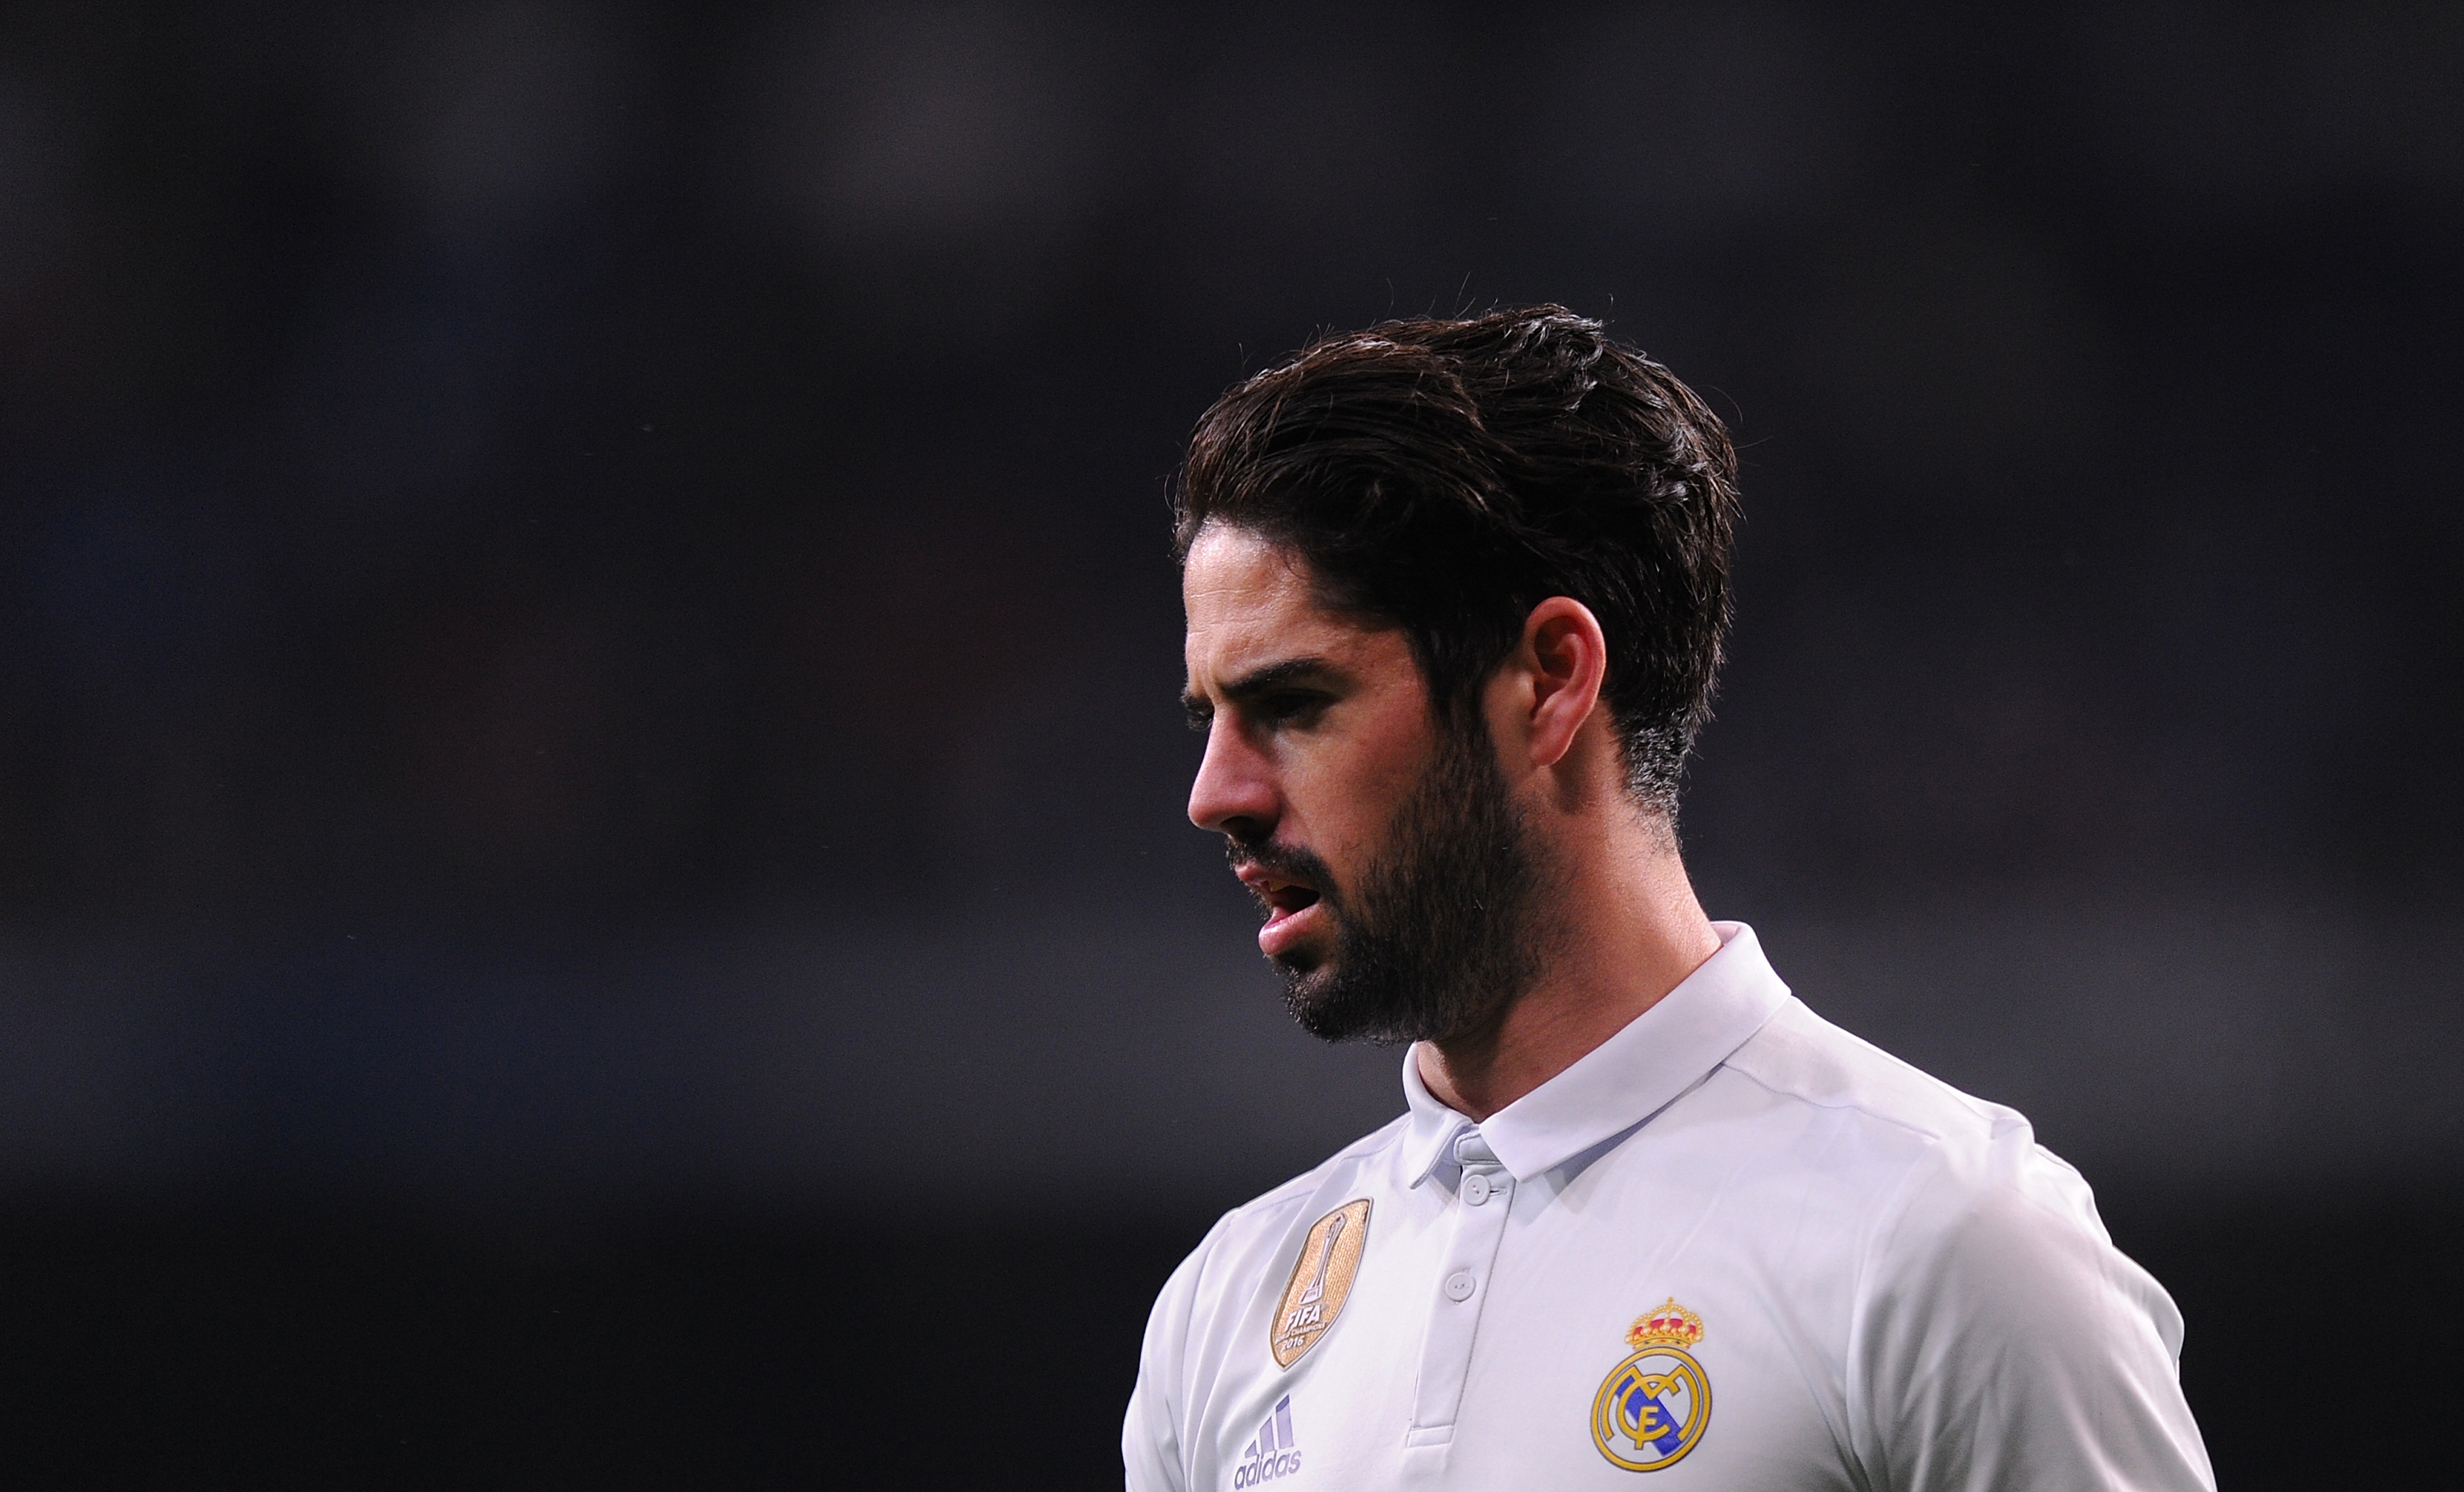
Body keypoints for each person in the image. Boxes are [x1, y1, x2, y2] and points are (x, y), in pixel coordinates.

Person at [1124, 307, 2213, 1490]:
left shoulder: (1946, 1245)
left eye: (1293, 705)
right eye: (1211, 718)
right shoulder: (1228, 1309)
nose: (1212, 794)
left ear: (1550, 679)